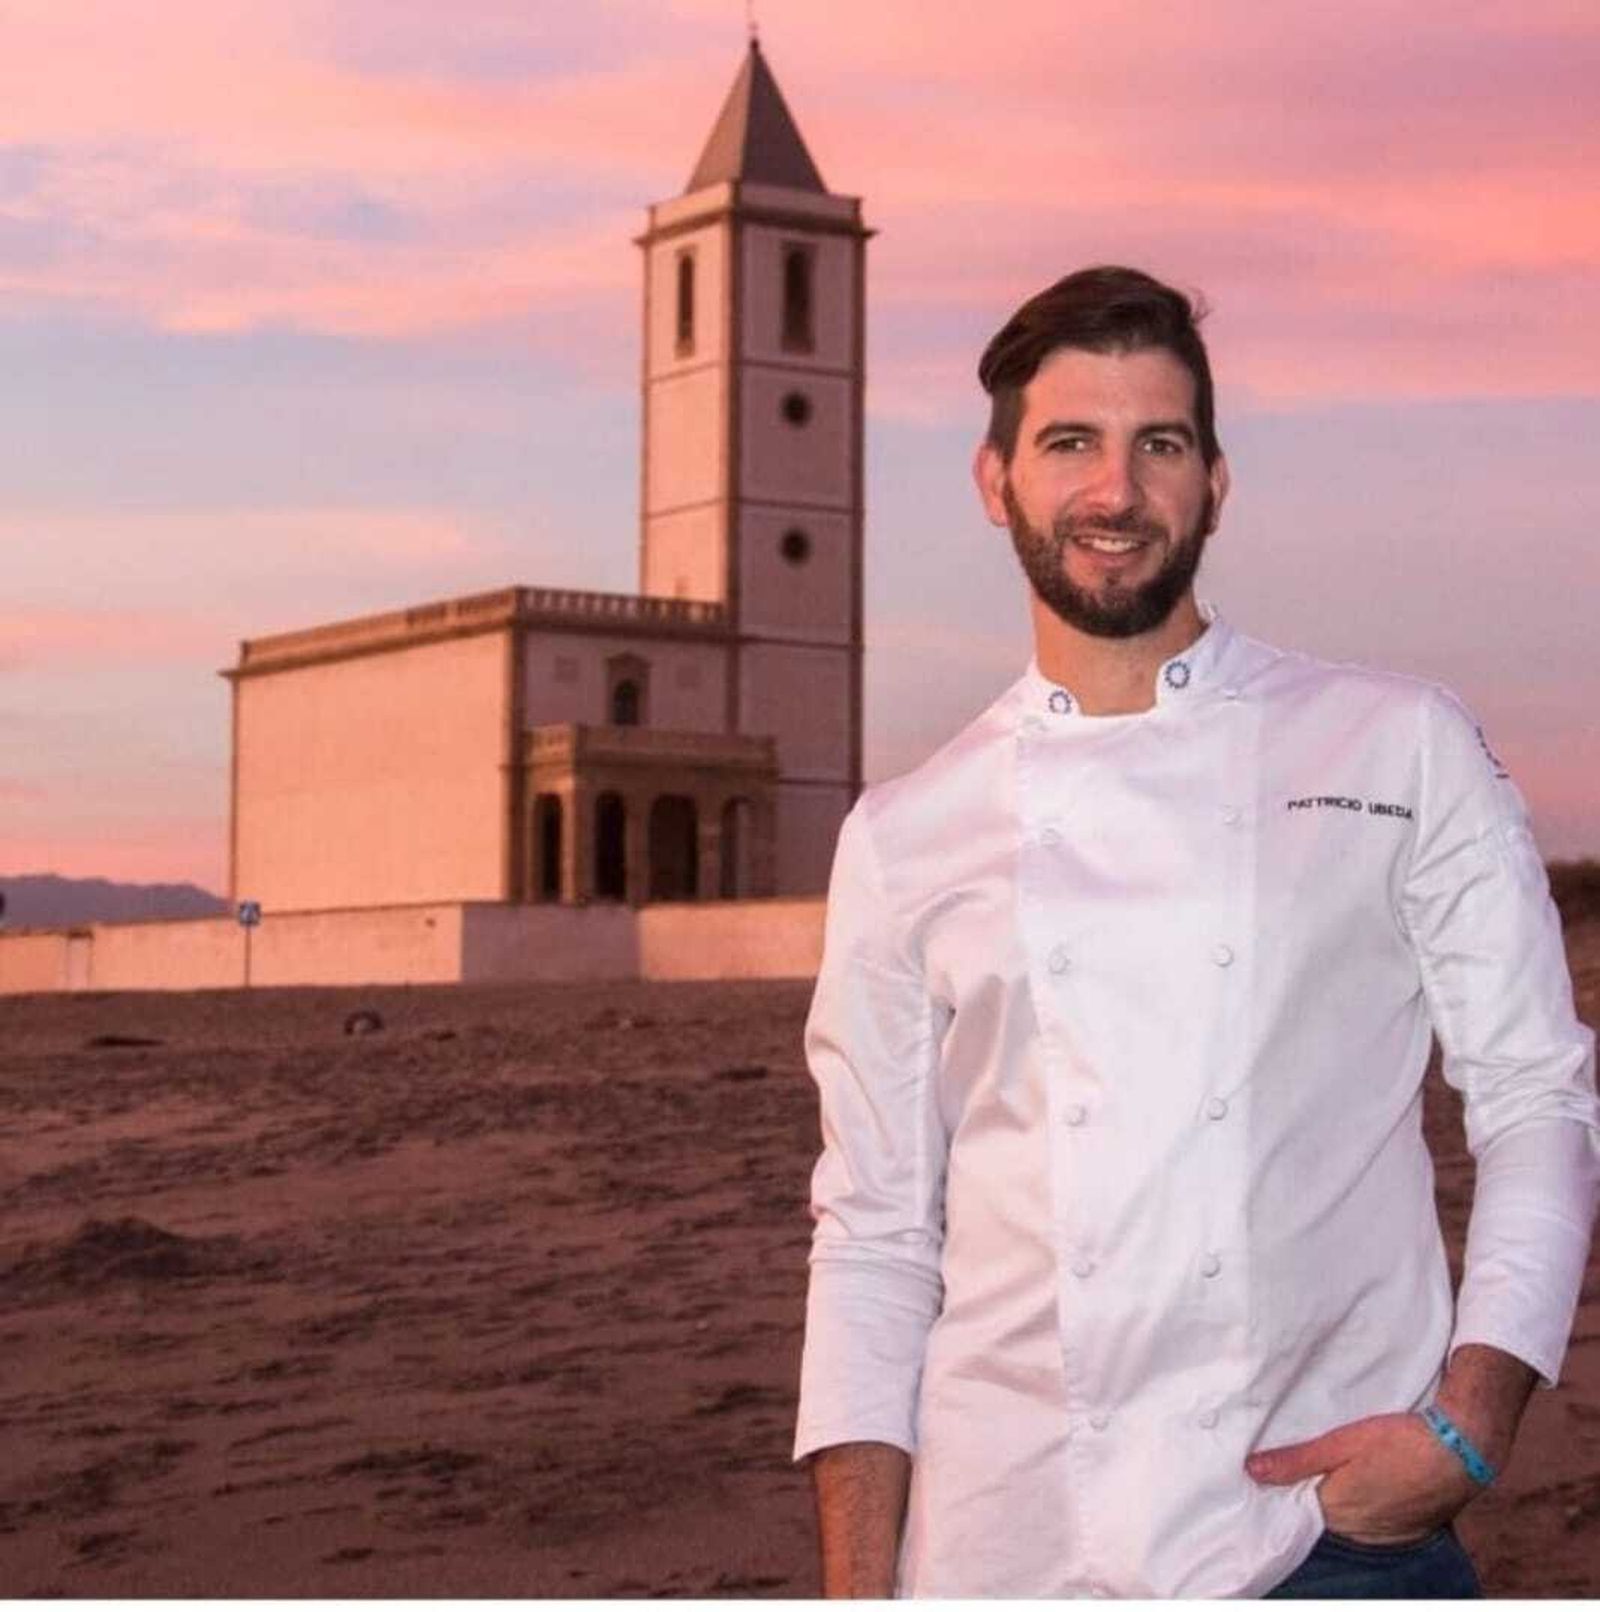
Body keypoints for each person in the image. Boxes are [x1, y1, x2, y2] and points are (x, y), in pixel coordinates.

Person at [792, 265, 1599, 1598]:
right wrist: (854, 1589)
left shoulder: (1395, 744)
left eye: (1157, 444)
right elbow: (875, 1233)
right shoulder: (904, 834)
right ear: (996, 482)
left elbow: (1537, 1096)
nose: (1114, 492)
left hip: (1324, 1542)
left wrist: (1469, 1423)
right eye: (1070, 444)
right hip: (1000, 1548)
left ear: (1213, 483)